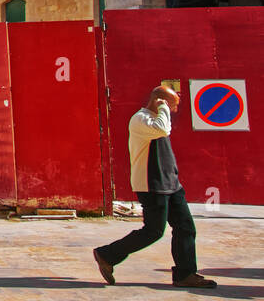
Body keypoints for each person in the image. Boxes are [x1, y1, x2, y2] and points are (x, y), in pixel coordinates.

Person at [93, 85, 217, 289]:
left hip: (171, 184)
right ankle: (107, 254)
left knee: (185, 227)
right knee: (153, 231)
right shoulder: (141, 119)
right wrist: (164, 107)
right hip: (152, 184)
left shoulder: (159, 118)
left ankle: (185, 274)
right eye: (173, 105)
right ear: (161, 102)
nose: (175, 110)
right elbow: (162, 129)